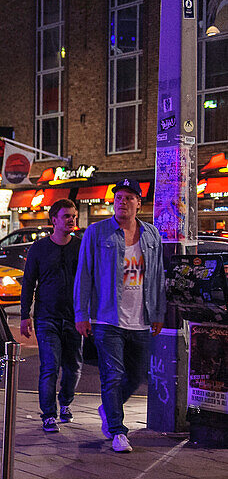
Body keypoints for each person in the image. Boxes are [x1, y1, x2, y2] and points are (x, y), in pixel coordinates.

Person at [75, 179, 165, 453]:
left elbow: (158, 276)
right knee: (112, 375)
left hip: (141, 318)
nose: (122, 201)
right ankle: (117, 430)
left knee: (136, 375)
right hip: (107, 318)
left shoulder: (151, 235)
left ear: (139, 203)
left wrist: (158, 312)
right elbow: (84, 274)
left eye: (129, 197)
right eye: (118, 197)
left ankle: (108, 407)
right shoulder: (96, 232)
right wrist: (82, 313)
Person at [21, 199, 83, 433]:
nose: (71, 220)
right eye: (66, 216)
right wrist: (25, 314)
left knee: (74, 367)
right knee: (49, 366)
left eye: (74, 216)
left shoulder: (81, 246)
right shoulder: (39, 248)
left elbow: (90, 279)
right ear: (54, 220)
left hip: (76, 317)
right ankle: (48, 414)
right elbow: (28, 282)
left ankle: (65, 402)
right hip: (47, 316)